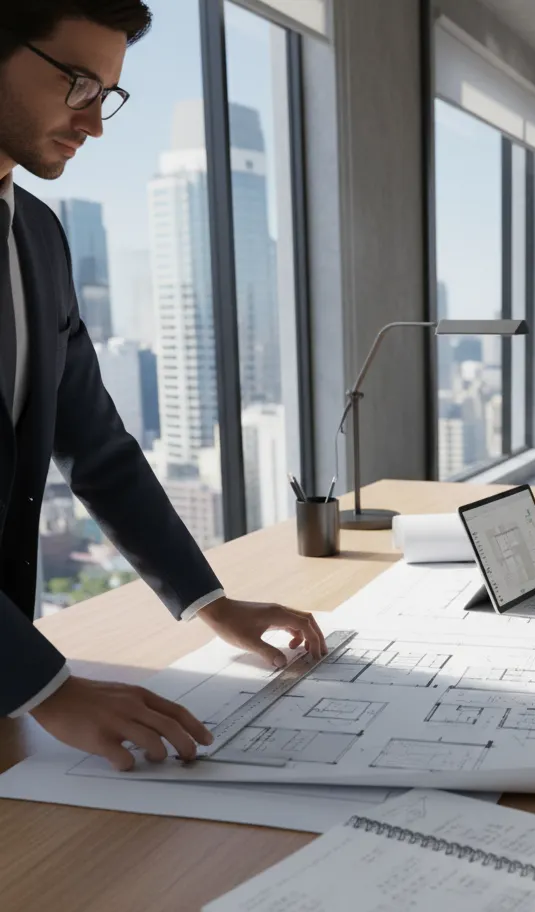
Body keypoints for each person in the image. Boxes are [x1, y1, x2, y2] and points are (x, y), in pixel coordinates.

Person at [0, 0, 327, 769]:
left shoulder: (37, 236)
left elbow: (98, 448)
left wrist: (209, 603)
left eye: (106, 95)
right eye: (78, 83)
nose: (95, 123)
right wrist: (50, 687)